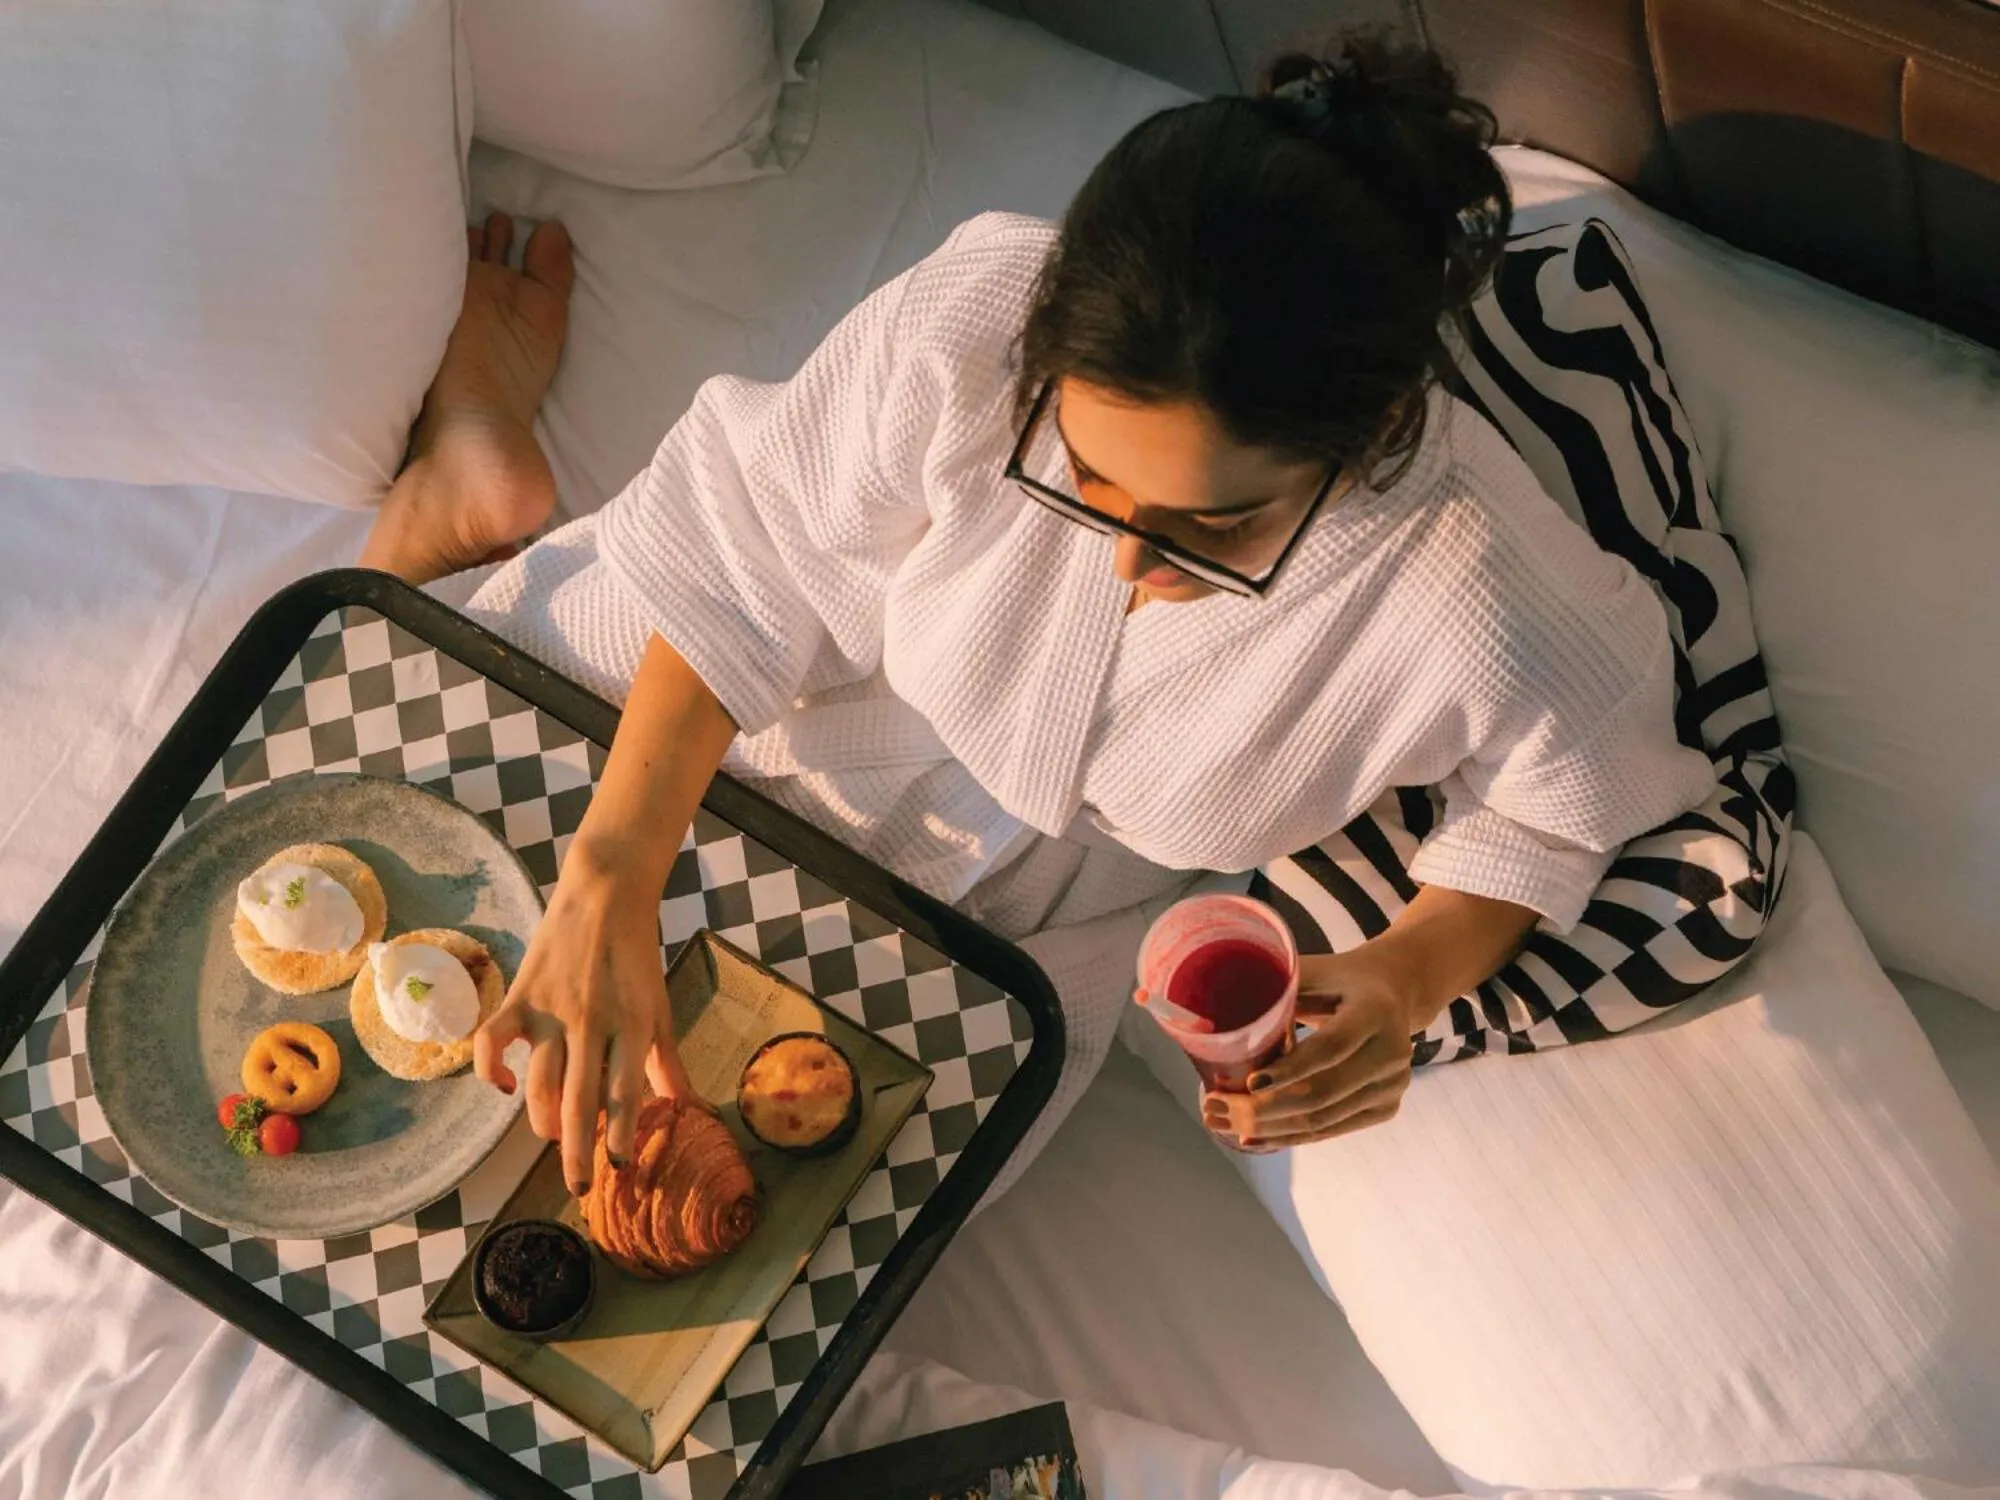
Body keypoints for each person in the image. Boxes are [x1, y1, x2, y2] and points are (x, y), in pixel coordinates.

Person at [361, 36, 1716, 1197]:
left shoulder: (1468, 585)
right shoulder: (982, 318)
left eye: (1217, 525)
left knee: (655, 1234)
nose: (1129, 563)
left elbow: (1563, 790)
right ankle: (451, 495)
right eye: (1091, 479)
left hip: (1004, 913)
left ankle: (453, 502)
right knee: (350, 858)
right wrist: (613, 868)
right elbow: (746, 551)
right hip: (718, 680)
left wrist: (1412, 972)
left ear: (1364, 436)